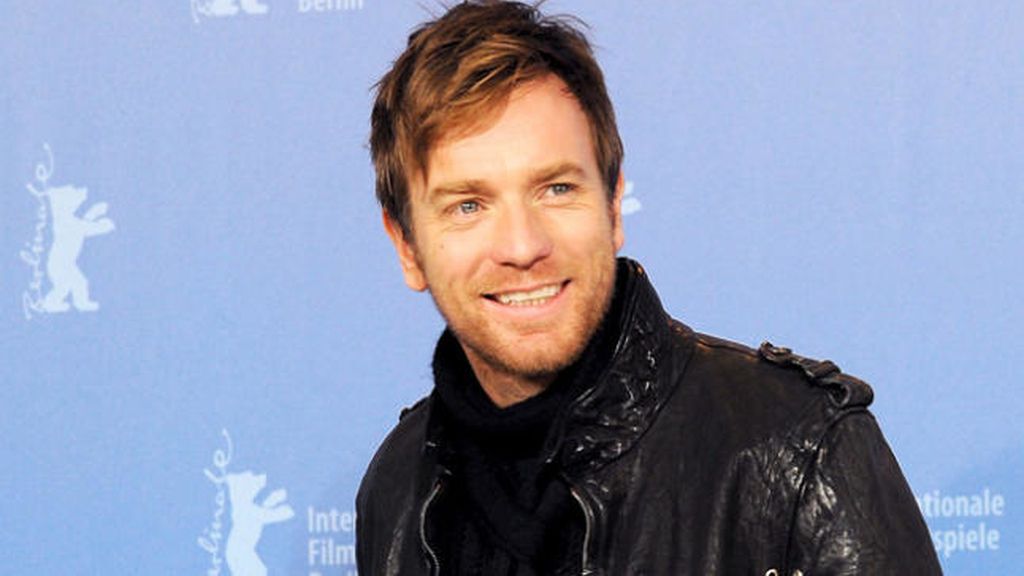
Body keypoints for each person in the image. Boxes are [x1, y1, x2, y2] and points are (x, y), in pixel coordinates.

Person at [357, 1, 942, 574]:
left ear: (613, 207)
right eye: (468, 205)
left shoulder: (799, 452)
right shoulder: (396, 487)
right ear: (407, 245)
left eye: (557, 189)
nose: (522, 245)